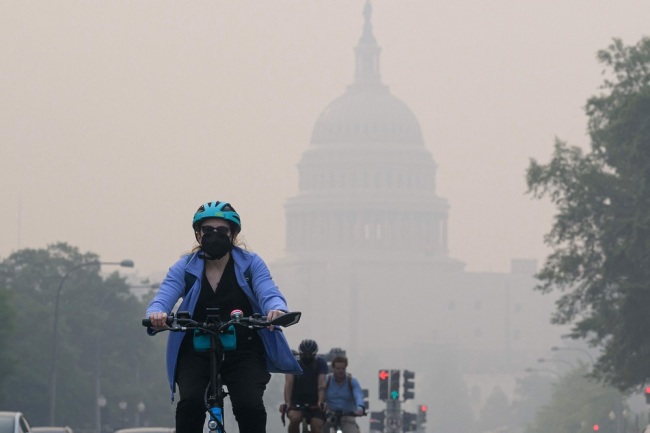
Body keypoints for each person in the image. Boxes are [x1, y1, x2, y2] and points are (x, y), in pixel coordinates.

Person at [145, 200, 302, 433]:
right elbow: (163, 297)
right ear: (198, 235)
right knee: (190, 404)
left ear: (233, 234)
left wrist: (276, 309)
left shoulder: (251, 264)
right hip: (196, 349)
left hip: (243, 349)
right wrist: (156, 314)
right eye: (207, 231)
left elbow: (268, 291)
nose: (214, 236)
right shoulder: (184, 267)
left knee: (250, 407)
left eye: (221, 231)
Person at [282, 339, 328, 433]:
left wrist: (320, 401)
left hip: (315, 402)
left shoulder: (320, 363)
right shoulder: (293, 362)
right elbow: (289, 383)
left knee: (316, 426)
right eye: (304, 355)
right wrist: (288, 402)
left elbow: (321, 384)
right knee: (294, 419)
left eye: (310, 356)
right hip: (297, 401)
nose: (307, 358)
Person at [322, 356, 365, 433]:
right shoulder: (326, 380)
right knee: (319, 428)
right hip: (329, 417)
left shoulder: (351, 381)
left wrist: (360, 407)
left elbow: (358, 395)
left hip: (347, 417)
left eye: (343, 369)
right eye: (338, 368)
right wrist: (322, 404)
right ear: (333, 368)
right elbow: (320, 393)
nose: (340, 371)